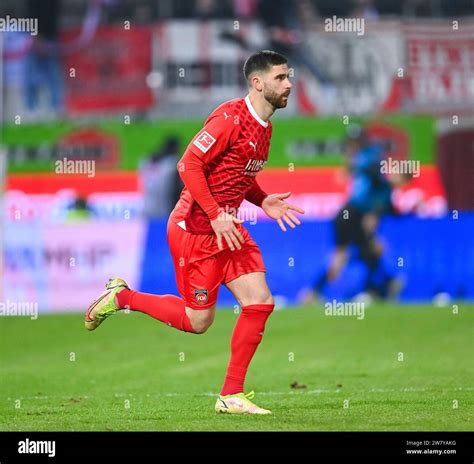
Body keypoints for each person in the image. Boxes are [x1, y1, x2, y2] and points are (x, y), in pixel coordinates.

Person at [85, 51, 304, 415]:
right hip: (196, 229)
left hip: (227, 228)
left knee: (260, 302)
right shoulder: (230, 118)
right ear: (258, 82)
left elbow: (238, 175)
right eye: (280, 78)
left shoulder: (264, 127)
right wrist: (216, 213)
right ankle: (122, 298)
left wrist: (263, 200)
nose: (289, 84)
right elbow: (188, 164)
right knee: (197, 321)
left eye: (288, 77)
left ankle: (231, 395)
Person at [305, 124, 400, 303]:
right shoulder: (365, 159)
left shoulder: (368, 157)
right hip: (350, 214)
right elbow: (379, 186)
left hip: (355, 213)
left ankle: (316, 292)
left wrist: (374, 213)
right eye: (349, 142)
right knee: (364, 251)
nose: (350, 146)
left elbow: (377, 180)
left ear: (360, 142)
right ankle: (384, 285)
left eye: (353, 142)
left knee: (366, 251)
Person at [139, 136, 183, 219]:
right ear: (175, 148)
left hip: (148, 208)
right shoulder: (172, 163)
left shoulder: (147, 161)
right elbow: (175, 190)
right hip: (165, 210)